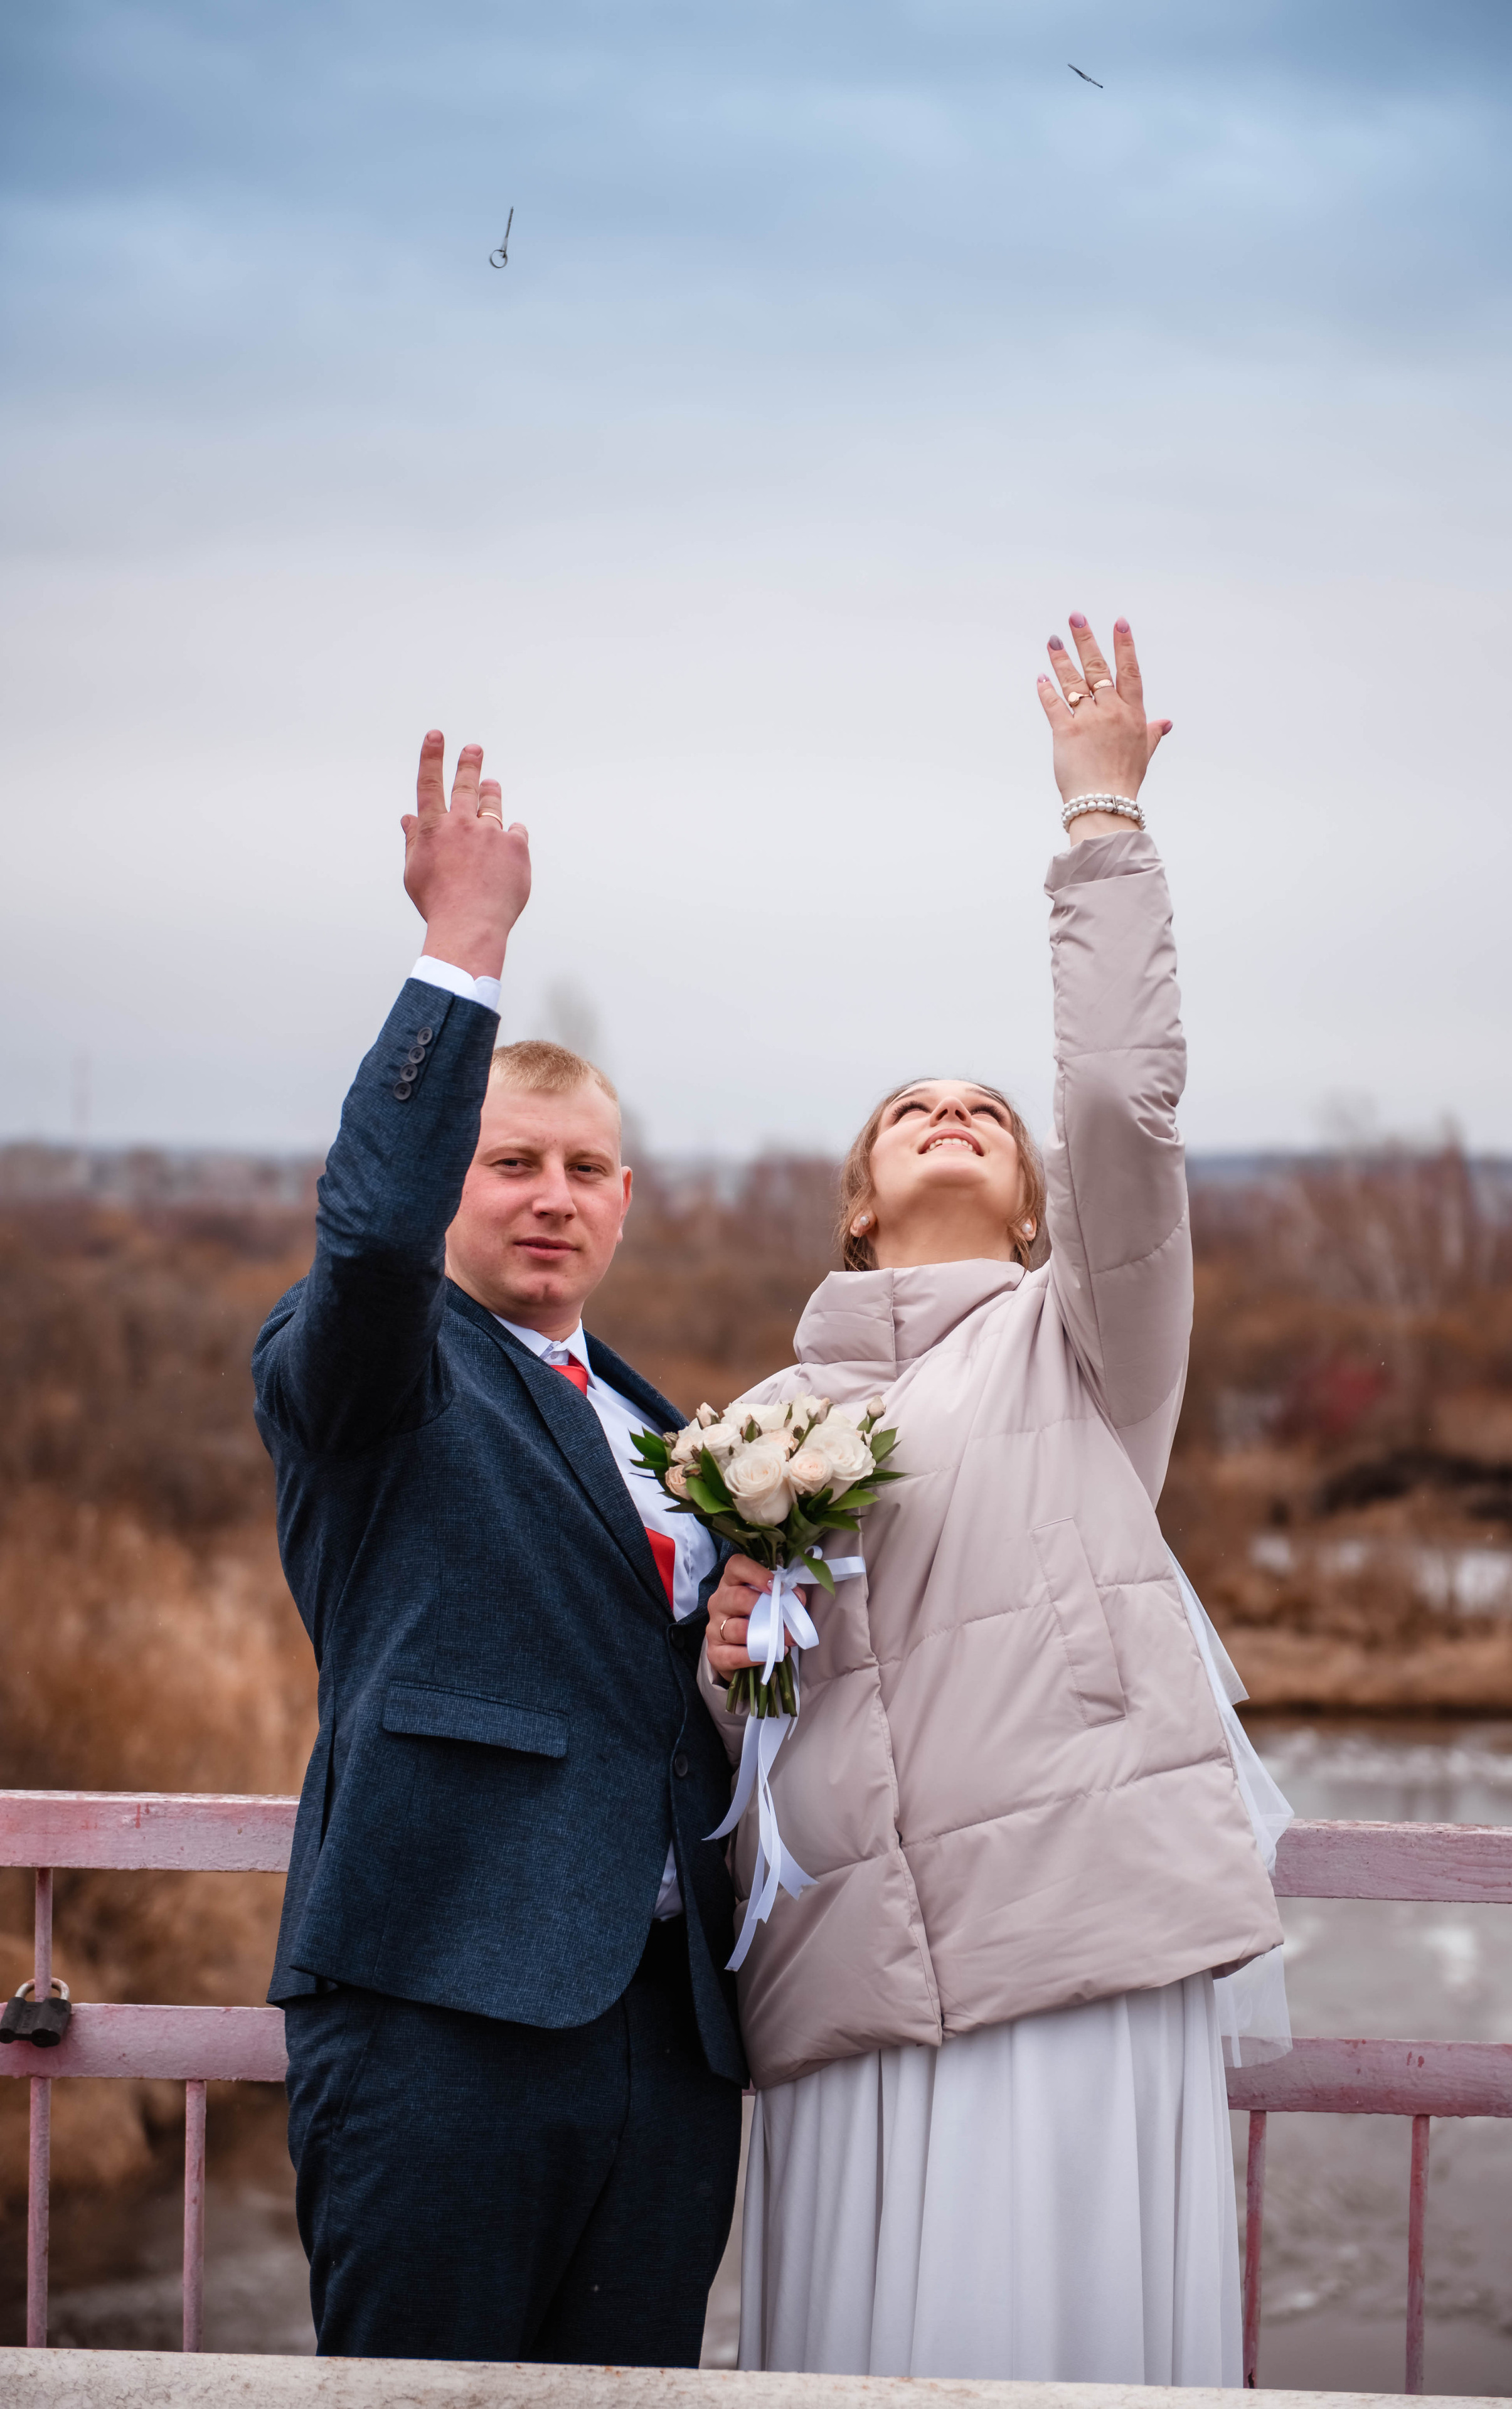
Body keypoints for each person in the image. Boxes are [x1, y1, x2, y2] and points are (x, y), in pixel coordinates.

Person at [701, 613, 1289, 2383]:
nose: (954, 1114)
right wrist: (729, 1659)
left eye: (982, 1110)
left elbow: (1122, 1103)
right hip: (850, 1995)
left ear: (1038, 1202)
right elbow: (747, 1728)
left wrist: (1100, 823)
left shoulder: (1084, 1346)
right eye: (910, 1109)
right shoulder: (765, 1425)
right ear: (860, 1206)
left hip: (1068, 1969)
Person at [254, 733, 745, 2364]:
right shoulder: (370, 1375)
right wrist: (462, 952)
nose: (552, 1198)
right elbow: (373, 1239)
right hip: (438, 2007)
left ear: (626, 1200)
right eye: (511, 1163)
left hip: (665, 2043)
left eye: (586, 1171)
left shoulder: (662, 1423)